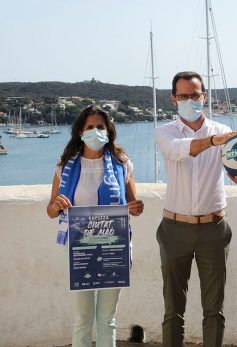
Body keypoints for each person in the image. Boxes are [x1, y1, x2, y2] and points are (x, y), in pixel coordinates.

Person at [154, 71, 237, 347]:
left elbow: (234, 166)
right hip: (174, 229)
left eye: (195, 95)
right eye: (183, 96)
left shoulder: (222, 132)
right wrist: (211, 142)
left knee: (214, 310)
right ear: (174, 99)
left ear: (204, 96)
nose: (190, 100)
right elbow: (176, 151)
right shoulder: (165, 132)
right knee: (173, 309)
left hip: (214, 229)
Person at [47, 105, 144, 347]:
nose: (95, 131)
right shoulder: (65, 166)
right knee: (82, 318)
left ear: (108, 131)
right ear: (80, 131)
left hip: (114, 250)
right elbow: (51, 211)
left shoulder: (123, 164)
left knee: (107, 318)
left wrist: (136, 207)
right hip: (79, 251)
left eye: (100, 127)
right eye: (89, 127)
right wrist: (57, 204)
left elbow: (134, 206)